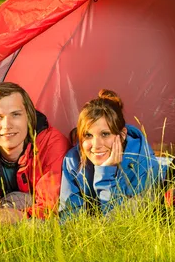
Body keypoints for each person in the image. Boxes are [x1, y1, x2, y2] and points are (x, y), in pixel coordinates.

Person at [0, 82, 70, 223]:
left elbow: (51, 205)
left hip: (32, 213)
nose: (7, 125)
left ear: (28, 117)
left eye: (15, 114)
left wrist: (11, 216)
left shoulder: (51, 143)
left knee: (41, 223)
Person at [59, 89, 167, 218]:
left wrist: (105, 173)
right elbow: (68, 220)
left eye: (105, 134)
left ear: (122, 135)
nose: (96, 145)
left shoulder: (143, 164)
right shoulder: (73, 161)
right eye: (88, 135)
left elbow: (119, 224)